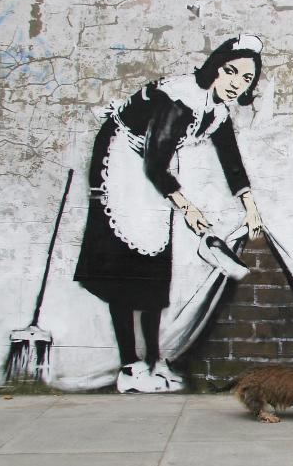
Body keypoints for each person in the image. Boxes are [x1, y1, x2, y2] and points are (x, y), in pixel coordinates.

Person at [74, 35, 264, 393]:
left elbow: (232, 162)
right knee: (125, 263)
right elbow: (154, 164)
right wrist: (189, 209)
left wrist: (251, 209)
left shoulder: (218, 110)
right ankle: (130, 367)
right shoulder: (180, 98)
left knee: (155, 259)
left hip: (152, 165)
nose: (237, 83)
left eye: (246, 79)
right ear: (216, 68)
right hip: (121, 159)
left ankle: (154, 360)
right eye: (231, 72)